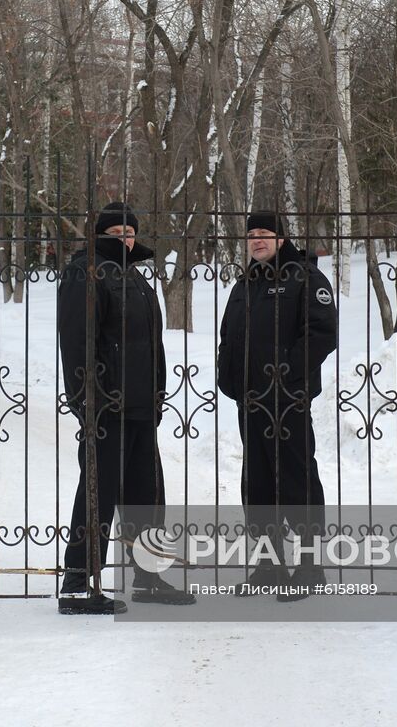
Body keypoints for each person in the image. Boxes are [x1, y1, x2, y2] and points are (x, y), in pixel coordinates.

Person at [56, 201, 194, 614]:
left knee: (146, 493)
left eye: (129, 232)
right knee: (100, 492)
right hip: (106, 407)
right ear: (100, 236)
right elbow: (79, 341)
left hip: (139, 408)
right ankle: (79, 582)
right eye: (115, 233)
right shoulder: (86, 272)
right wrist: (88, 399)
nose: (125, 239)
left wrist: (156, 395)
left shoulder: (135, 278)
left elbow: (152, 345)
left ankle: (148, 577)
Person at [216, 211, 338, 600]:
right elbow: (230, 336)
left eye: (265, 234)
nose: (257, 240)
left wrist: (286, 372)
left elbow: (322, 333)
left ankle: (308, 566)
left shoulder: (305, 277)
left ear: (281, 239)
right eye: (251, 235)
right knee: (258, 484)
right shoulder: (245, 284)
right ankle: (268, 565)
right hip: (251, 402)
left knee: (296, 480)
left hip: (288, 401)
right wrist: (228, 376)